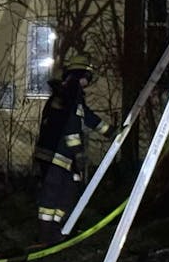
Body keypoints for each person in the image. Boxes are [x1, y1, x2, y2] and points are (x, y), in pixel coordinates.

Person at [31, 51, 112, 246]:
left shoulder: (69, 93)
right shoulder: (70, 93)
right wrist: (78, 153)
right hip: (57, 157)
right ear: (83, 75)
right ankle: (46, 235)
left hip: (57, 155)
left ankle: (54, 231)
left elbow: (87, 117)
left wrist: (111, 132)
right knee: (53, 195)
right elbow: (71, 126)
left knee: (66, 193)